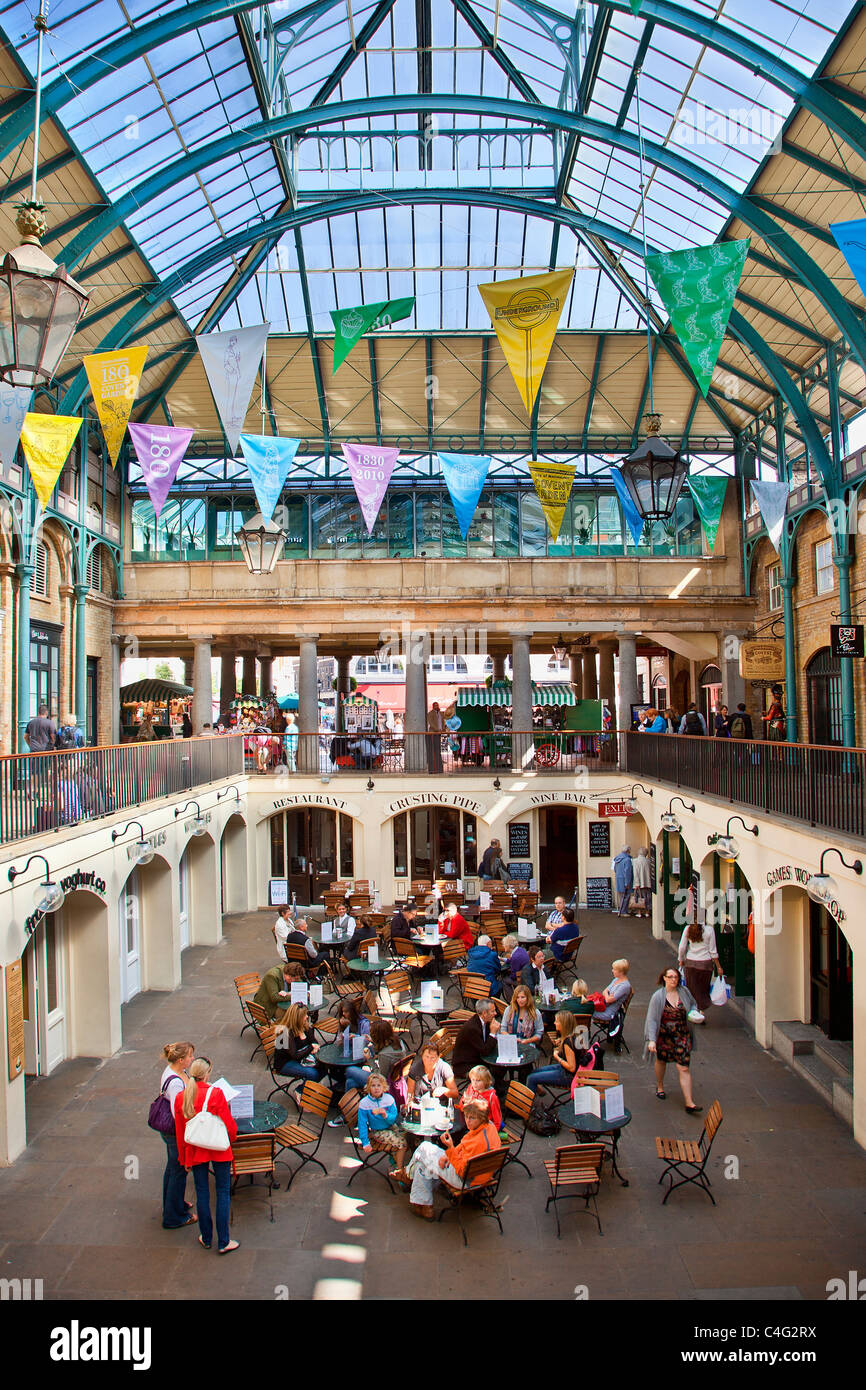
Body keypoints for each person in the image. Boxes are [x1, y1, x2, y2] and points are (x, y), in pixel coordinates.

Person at [173, 1056, 239, 1253]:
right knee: (222, 1193)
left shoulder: (181, 1097)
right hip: (218, 1146)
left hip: (196, 1148)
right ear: (207, 1074)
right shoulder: (216, 1094)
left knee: (202, 1192)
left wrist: (184, 1158)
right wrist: (232, 1138)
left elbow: (180, 1132)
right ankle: (224, 1241)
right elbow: (229, 1125)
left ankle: (207, 1237)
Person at [394, 1099, 501, 1220]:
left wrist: (450, 1148)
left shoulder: (477, 1143)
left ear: (481, 1118)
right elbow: (465, 1145)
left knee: (423, 1148)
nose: (468, 1121)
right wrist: (447, 1155)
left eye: (472, 1118)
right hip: (482, 1174)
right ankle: (424, 1205)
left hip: (465, 1180)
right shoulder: (489, 1127)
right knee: (422, 1164)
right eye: (466, 1116)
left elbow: (461, 1171)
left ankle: (407, 1176)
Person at [645, 967, 702, 1112]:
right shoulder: (658, 997)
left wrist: (694, 1013)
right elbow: (651, 1019)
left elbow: (693, 1004)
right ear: (664, 978)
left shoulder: (684, 992)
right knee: (661, 1061)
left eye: (676, 977)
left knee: (683, 1067)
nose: (673, 980)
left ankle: (689, 1102)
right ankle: (660, 1085)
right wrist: (652, 1039)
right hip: (664, 1036)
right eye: (670, 977)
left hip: (682, 1035)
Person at [157, 1041, 197, 1229]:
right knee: (178, 1171)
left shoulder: (175, 1072)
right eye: (190, 1056)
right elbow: (178, 1113)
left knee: (172, 1169)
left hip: (171, 1132)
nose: (192, 1059)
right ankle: (174, 1217)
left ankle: (173, 1204)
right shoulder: (175, 1083)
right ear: (181, 1060)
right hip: (175, 1132)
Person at [356, 1072, 408, 1169]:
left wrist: (385, 1114)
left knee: (407, 1133)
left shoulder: (389, 1099)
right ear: (369, 1088)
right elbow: (362, 1124)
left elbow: (394, 1118)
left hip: (390, 1125)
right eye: (373, 1085)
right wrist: (365, 1142)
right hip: (378, 1131)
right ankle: (399, 1170)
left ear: (383, 1087)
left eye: (379, 1085)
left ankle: (394, 1158)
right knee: (403, 1144)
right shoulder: (365, 1103)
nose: (376, 1088)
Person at [526, 1011, 582, 1096]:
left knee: (531, 1078)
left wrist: (557, 1057)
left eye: (557, 1021)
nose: (554, 1023)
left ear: (563, 1024)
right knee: (533, 1072)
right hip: (569, 1071)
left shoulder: (568, 1042)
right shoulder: (574, 1036)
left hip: (569, 1076)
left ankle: (526, 1105)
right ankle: (539, 1091)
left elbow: (572, 1068)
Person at [678, 920, 722, 1014]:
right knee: (703, 990)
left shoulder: (688, 929)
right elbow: (713, 950)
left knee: (692, 989)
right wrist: (719, 967)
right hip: (705, 964)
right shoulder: (709, 930)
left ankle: (694, 1010)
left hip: (690, 963)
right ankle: (701, 1011)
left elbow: (682, 947)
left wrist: (681, 960)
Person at [274, 1002, 326, 1083]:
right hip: (285, 1063)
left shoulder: (304, 1026)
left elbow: (314, 1041)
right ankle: (301, 1090)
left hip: (301, 1057)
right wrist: (311, 1047)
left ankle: (306, 1089)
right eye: (304, 1015)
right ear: (297, 1018)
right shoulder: (285, 1032)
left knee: (325, 1067)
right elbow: (295, 1055)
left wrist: (314, 1046)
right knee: (313, 1074)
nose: (307, 1017)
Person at [449, 1065, 503, 1141]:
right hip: (469, 1120)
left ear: (486, 1081)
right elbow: (461, 1106)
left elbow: (497, 1121)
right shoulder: (471, 1087)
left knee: (458, 1135)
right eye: (473, 1080)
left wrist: (492, 1135)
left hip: (482, 1126)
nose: (474, 1083)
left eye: (478, 1080)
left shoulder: (492, 1097)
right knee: (451, 1128)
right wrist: (464, 1102)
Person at [451, 999, 499, 1079]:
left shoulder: (485, 1021)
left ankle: (500, 1088)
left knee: (499, 1069)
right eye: (493, 1011)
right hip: (465, 1065)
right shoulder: (472, 1029)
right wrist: (493, 1033)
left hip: (477, 1057)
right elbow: (485, 1051)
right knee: (490, 1077)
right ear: (484, 1013)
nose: (495, 1013)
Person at [612, 845, 634, 916]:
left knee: (621, 896)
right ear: (628, 851)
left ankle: (621, 910)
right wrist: (627, 883)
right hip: (625, 880)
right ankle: (623, 911)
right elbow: (628, 872)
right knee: (626, 896)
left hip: (619, 879)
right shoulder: (627, 860)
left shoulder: (617, 859)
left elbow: (615, 869)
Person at [631, 848, 652, 918]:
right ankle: (647, 912)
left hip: (639, 883)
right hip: (647, 882)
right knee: (647, 898)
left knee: (639, 898)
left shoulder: (635, 861)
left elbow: (635, 873)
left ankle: (639, 912)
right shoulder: (649, 861)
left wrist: (637, 883)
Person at [427, 702, 444, 773]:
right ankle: (434, 768)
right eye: (435, 705)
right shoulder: (430, 713)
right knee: (434, 750)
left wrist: (442, 729)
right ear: (433, 706)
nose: (437, 706)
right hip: (433, 733)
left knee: (438, 750)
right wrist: (437, 729)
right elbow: (431, 723)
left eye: (437, 705)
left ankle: (439, 767)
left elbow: (443, 722)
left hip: (439, 733)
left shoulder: (441, 714)